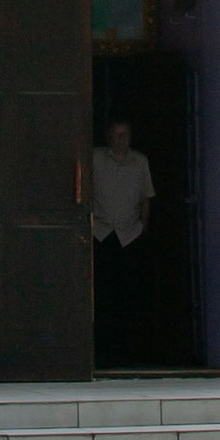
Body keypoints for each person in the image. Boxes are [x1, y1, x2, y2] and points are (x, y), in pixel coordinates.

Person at [91, 117, 154, 359]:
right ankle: (102, 349)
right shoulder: (95, 158)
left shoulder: (140, 161)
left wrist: (143, 228)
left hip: (130, 235)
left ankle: (128, 349)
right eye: (117, 134)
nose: (122, 139)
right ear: (108, 137)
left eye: (126, 134)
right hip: (101, 233)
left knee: (129, 292)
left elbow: (146, 198)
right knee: (102, 292)